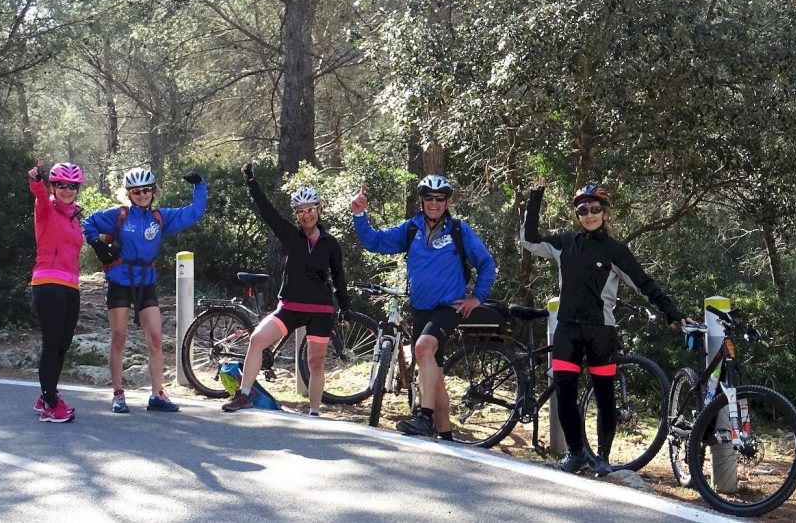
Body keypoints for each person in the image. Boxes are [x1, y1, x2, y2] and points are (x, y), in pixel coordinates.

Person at [520, 179, 694, 476]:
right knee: (565, 393)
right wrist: (535, 197)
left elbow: (644, 284)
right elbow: (529, 238)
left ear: (604, 212)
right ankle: (575, 454)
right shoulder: (565, 244)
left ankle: (601, 457)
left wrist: (672, 313)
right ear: (577, 215)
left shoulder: (614, 250)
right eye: (582, 210)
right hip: (567, 330)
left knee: (604, 396)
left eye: (595, 209)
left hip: (601, 332)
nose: (589, 215)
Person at [349, 174, 496, 439]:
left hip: (449, 308)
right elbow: (375, 242)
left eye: (440, 198)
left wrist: (477, 298)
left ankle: (423, 417)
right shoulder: (411, 229)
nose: (434, 203)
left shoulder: (460, 231)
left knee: (422, 347)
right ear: (421, 200)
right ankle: (446, 436)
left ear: (447, 201)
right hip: (421, 310)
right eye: (429, 198)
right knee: (434, 377)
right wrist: (359, 216)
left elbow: (486, 264)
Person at [221, 163, 352, 416]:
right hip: (290, 307)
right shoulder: (291, 237)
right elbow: (267, 212)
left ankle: (314, 413)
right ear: (296, 215)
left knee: (315, 362)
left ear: (318, 210)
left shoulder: (331, 244)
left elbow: (339, 276)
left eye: (310, 209)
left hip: (320, 310)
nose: (306, 215)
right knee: (258, 339)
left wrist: (345, 308)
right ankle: (245, 395)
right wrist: (251, 183)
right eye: (301, 211)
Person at [83, 166, 207, 414]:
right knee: (119, 337)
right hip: (120, 280)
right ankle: (118, 394)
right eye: (136, 191)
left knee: (156, 340)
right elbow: (89, 222)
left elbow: (194, 213)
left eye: (146, 190)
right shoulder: (119, 215)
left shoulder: (160, 218)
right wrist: (98, 245)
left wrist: (199, 186)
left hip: (146, 282)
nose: (142, 194)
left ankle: (157, 394)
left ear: (153, 191)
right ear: (129, 194)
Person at [28, 161, 86, 423]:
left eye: (72, 186)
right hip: (47, 283)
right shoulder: (46, 208)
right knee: (52, 345)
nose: (66, 190)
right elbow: (39, 193)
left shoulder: (75, 218)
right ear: (53, 185)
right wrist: (36, 181)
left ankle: (46, 396)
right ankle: (50, 403)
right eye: (61, 185)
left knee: (63, 346)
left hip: (71, 286)